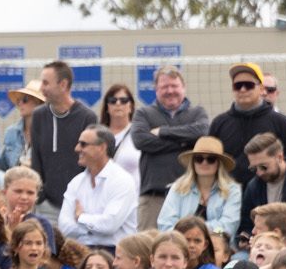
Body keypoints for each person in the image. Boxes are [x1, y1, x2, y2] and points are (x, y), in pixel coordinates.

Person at [130, 66, 209, 230]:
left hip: (191, 196)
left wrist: (162, 132)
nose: (170, 91)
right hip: (154, 199)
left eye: (174, 86)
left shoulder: (197, 112)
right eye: (164, 87)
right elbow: (140, 140)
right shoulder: (143, 113)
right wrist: (185, 142)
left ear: (183, 87)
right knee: (147, 249)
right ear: (156, 90)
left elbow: (202, 132)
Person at [25, 60, 96, 220]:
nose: (41, 88)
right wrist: (40, 196)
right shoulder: (38, 116)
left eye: (45, 83)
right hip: (47, 206)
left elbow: (91, 163)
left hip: (77, 205)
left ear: (63, 85)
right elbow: (36, 159)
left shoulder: (87, 117)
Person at [59, 127, 137, 251]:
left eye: (83, 144)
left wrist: (80, 218)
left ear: (102, 148)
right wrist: (93, 227)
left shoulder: (122, 180)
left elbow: (110, 225)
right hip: (82, 250)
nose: (77, 148)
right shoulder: (76, 182)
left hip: (116, 252)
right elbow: (64, 226)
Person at [209, 62, 286, 167]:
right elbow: (210, 161)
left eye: (248, 85)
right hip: (227, 183)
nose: (242, 89)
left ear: (261, 89)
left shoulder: (280, 122)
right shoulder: (219, 123)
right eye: (237, 86)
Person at [157, 137, 243, 239]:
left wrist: (194, 232)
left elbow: (228, 228)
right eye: (199, 159)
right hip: (181, 245)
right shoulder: (178, 188)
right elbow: (164, 225)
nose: (204, 163)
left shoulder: (232, 190)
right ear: (193, 163)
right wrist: (186, 238)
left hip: (218, 247)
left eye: (211, 159)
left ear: (219, 164)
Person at [95, 82, 141, 186]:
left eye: (124, 100)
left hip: (133, 198)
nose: (118, 104)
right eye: (113, 100)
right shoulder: (97, 135)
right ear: (107, 107)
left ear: (131, 106)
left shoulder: (139, 133)